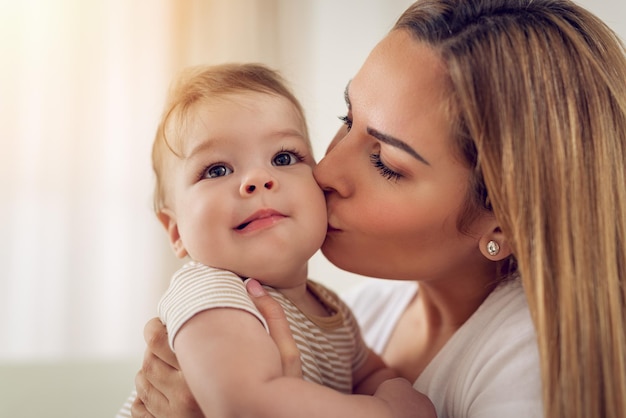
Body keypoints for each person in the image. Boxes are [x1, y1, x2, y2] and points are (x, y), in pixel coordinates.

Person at [130, 1, 626, 418]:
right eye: (347, 119)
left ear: (505, 218)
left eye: (386, 163)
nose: (322, 172)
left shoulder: (532, 370)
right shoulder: (361, 311)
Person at [117, 63, 435, 418]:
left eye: (283, 157)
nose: (257, 179)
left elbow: (369, 375)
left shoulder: (333, 311)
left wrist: (392, 388)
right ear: (176, 231)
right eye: (217, 170)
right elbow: (248, 405)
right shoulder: (212, 294)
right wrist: (387, 412)